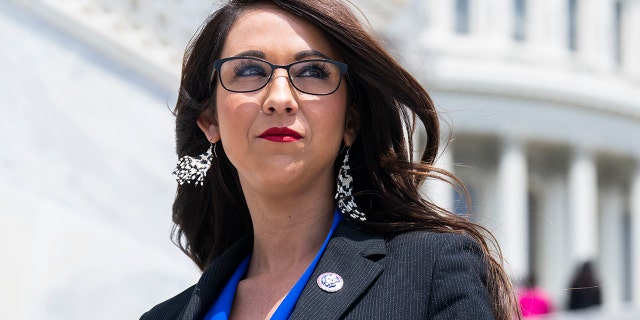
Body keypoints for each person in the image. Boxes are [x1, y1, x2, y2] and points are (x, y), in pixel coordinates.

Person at [141, 0, 520, 319]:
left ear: (349, 121)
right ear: (209, 119)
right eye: (250, 70)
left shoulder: (428, 271)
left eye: (312, 72)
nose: (279, 98)